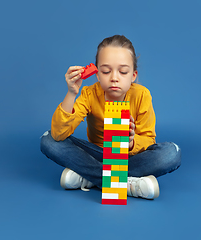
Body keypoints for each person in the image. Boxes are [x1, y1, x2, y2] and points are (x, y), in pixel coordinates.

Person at [40, 35, 181, 200]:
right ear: (98, 74)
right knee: (48, 140)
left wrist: (132, 142)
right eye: (106, 71)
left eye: (123, 71)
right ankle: (128, 184)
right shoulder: (90, 94)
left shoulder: (142, 95)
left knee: (171, 153)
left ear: (133, 75)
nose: (114, 77)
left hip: (130, 157)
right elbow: (58, 134)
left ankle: (88, 177)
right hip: (97, 153)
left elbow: (149, 140)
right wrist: (71, 93)